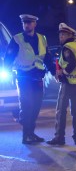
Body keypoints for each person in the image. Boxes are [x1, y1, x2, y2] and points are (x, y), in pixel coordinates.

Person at [5, 14, 56, 144]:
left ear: (35, 24)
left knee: (36, 106)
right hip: (23, 77)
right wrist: (8, 73)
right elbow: (8, 59)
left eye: (29, 22)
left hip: (37, 77)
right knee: (27, 105)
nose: (27, 25)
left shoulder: (42, 38)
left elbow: (47, 58)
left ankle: (31, 132)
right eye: (24, 23)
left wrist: (54, 72)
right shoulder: (17, 39)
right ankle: (26, 135)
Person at [46, 23, 76, 146]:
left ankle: (59, 138)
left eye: (63, 34)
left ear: (69, 35)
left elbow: (72, 63)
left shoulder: (67, 47)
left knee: (61, 110)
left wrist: (61, 72)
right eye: (60, 35)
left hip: (68, 83)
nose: (61, 37)